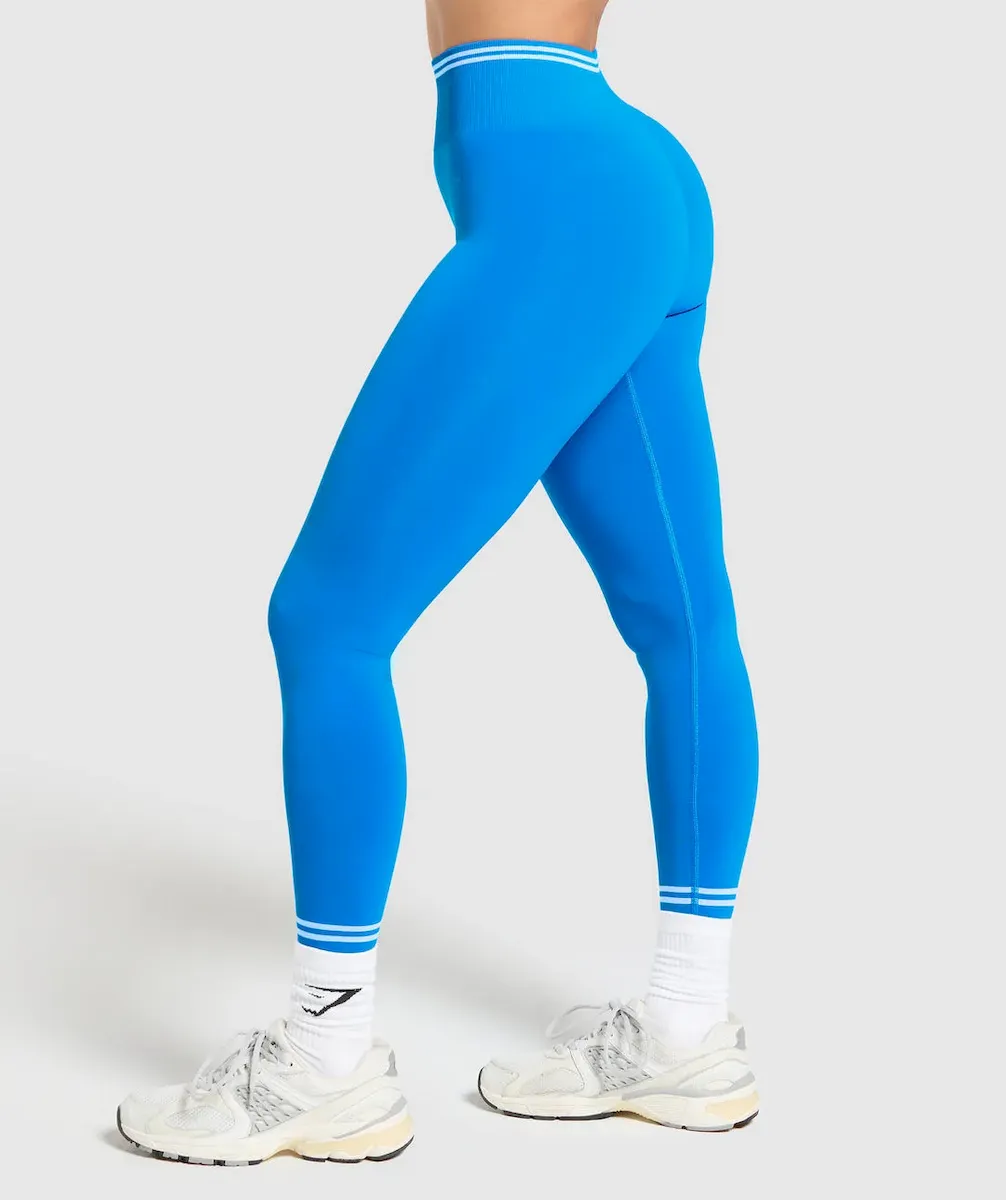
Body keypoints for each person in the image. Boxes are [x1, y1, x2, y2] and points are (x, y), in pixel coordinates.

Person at [116, 0, 760, 1165]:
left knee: (327, 622)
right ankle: (684, 1029)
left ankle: (324, 1058)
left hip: (555, 191)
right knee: (682, 624)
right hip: (619, 169)